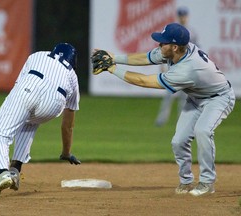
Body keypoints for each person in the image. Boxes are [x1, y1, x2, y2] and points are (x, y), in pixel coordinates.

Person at [91, 23, 235, 196]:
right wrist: (113, 57)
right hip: (196, 98)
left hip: (219, 98)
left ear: (174, 47)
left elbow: (145, 81)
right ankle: (186, 181)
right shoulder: (177, 50)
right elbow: (144, 58)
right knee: (178, 141)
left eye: (163, 43)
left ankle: (207, 182)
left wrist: (112, 69)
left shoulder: (187, 69)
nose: (159, 45)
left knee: (203, 131)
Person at [0, 43, 81, 196]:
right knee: (29, 122)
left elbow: (19, 84)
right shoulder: (73, 77)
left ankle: (1, 173)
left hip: (29, 89)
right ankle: (15, 171)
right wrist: (66, 153)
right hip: (53, 105)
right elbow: (68, 125)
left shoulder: (38, 55)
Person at [155, 6, 197, 127]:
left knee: (184, 98)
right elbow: (165, 50)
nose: (183, 18)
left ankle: (181, 120)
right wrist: (162, 65)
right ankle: (161, 119)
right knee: (168, 96)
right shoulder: (173, 32)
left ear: (187, 17)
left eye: (184, 15)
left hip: (186, 70)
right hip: (173, 69)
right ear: (178, 16)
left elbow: (196, 51)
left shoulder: (192, 32)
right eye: (181, 15)